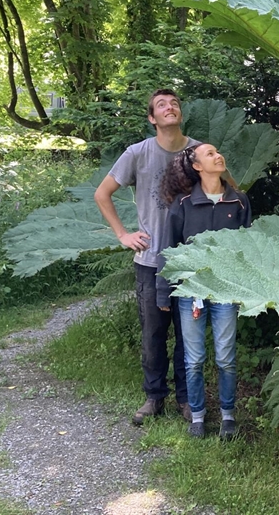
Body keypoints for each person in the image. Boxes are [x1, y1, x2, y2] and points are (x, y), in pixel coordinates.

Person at [93, 89, 198, 425]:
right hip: (151, 262)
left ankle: (186, 398)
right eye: (162, 105)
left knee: (188, 336)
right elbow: (103, 193)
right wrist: (123, 235)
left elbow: (224, 189)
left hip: (192, 262)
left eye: (175, 103)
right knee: (153, 335)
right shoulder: (138, 153)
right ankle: (154, 398)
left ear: (180, 113)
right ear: (153, 118)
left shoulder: (198, 152)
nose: (170, 107)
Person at [156, 143, 251, 439]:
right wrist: (163, 291)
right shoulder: (183, 204)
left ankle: (227, 415)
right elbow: (168, 250)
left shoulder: (239, 202)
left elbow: (251, 249)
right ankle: (197, 416)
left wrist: (248, 290)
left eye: (218, 152)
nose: (218, 156)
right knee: (193, 359)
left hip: (225, 291)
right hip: (191, 293)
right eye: (210, 154)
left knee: (226, 357)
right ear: (197, 166)